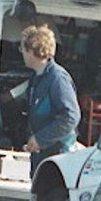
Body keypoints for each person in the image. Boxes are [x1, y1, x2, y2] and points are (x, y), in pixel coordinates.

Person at [20, 24, 79, 175]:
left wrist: (41, 139)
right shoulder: (36, 78)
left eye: (23, 49)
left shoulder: (57, 79)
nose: (22, 53)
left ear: (32, 51)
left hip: (58, 157)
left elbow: (71, 116)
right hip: (42, 155)